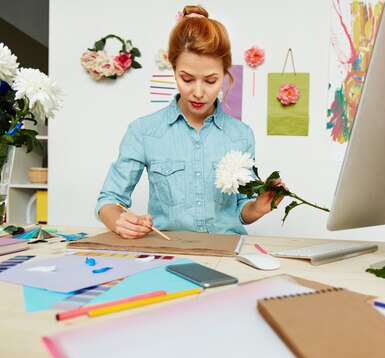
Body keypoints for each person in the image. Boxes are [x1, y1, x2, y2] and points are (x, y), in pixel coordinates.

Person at [96, 5, 284, 239]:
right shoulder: (143, 131)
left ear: (225, 74)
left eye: (210, 80)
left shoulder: (241, 135)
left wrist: (257, 208)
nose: (198, 92)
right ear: (173, 70)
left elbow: (240, 211)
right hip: (168, 250)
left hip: (226, 250)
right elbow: (109, 201)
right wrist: (119, 221)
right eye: (186, 79)